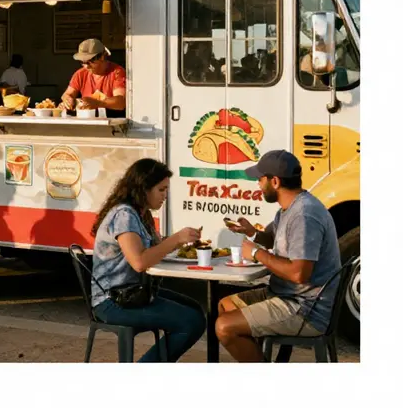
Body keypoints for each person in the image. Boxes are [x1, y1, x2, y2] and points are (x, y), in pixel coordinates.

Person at [215, 150, 341, 362]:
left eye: (259, 178)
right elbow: (273, 238)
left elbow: (299, 273)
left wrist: (256, 253)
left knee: (225, 328)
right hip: (284, 295)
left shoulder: (304, 215)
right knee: (225, 306)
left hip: (304, 308)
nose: (257, 184)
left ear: (274, 181)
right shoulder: (288, 208)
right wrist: (252, 233)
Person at [91, 158, 207, 362]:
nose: (165, 196)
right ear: (144, 188)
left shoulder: (140, 214)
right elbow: (139, 262)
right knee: (191, 321)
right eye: (161, 190)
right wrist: (175, 239)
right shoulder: (124, 214)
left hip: (135, 292)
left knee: (196, 309)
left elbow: (153, 249)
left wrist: (178, 243)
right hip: (114, 300)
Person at [61, 38, 126, 116]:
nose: (86, 66)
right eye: (82, 62)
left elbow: (121, 102)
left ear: (101, 57)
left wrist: (98, 103)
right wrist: (67, 100)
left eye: (89, 62)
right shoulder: (80, 73)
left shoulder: (117, 72)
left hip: (111, 120)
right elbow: (67, 94)